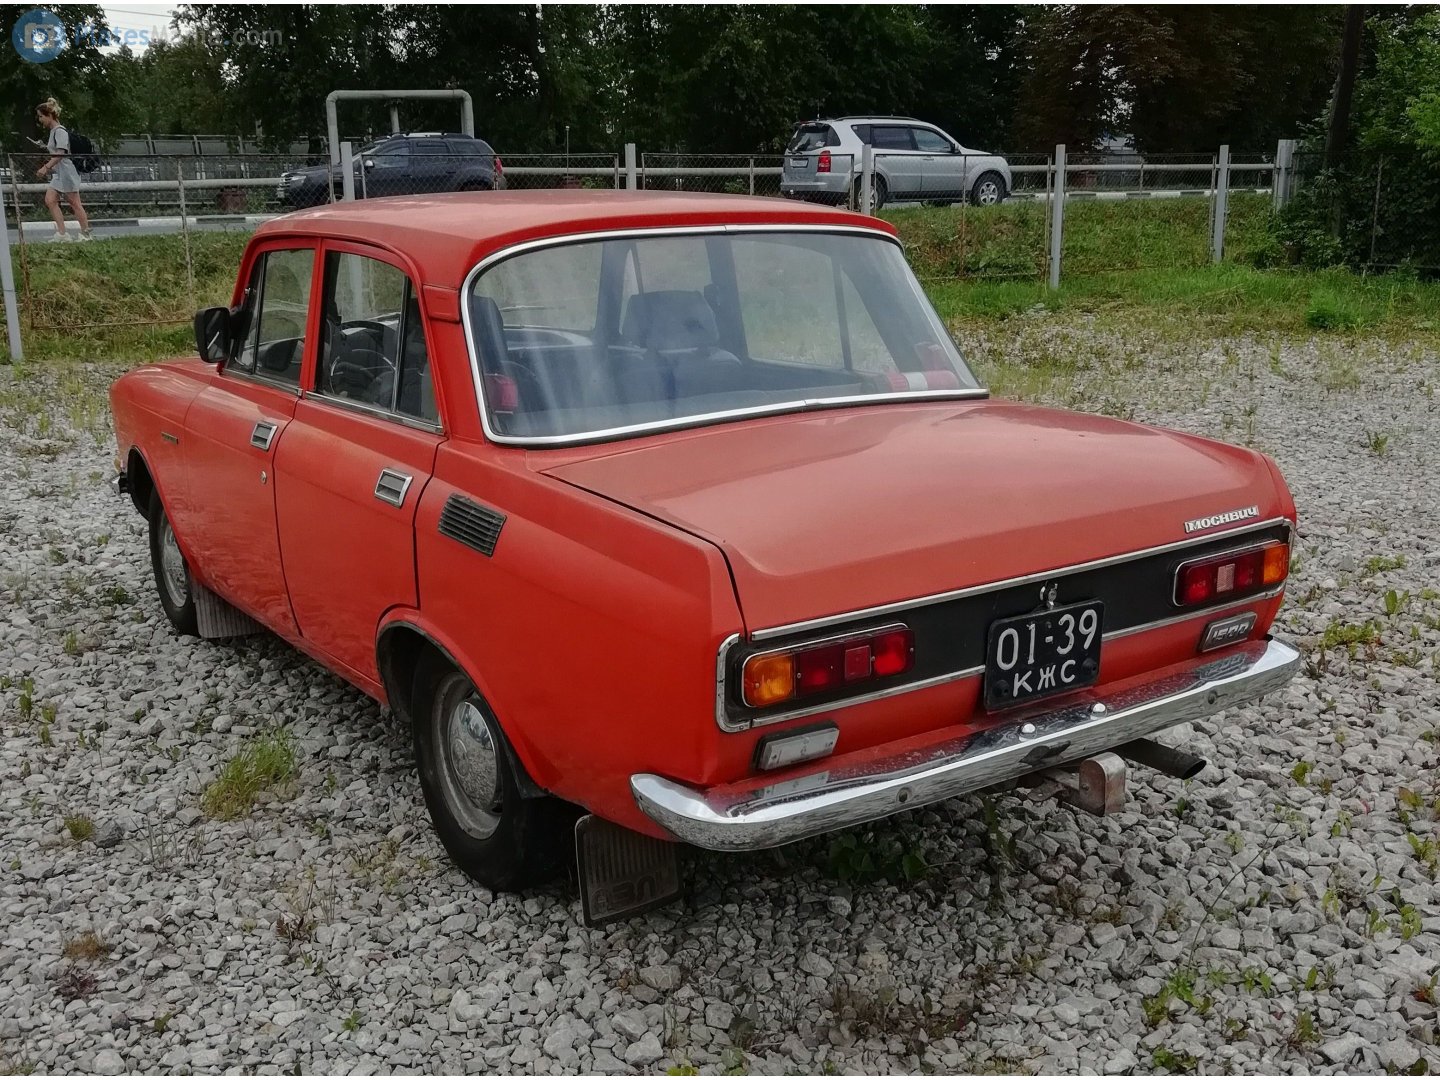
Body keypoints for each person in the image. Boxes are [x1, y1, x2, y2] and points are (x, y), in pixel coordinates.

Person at [34, 99, 92, 242]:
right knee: (50, 199)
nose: (40, 120)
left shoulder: (59, 131)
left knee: (74, 202)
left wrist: (45, 167)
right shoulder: (54, 132)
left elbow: (61, 153)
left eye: (41, 116)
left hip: (67, 171)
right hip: (59, 173)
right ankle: (62, 233)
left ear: (49, 115)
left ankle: (86, 234)